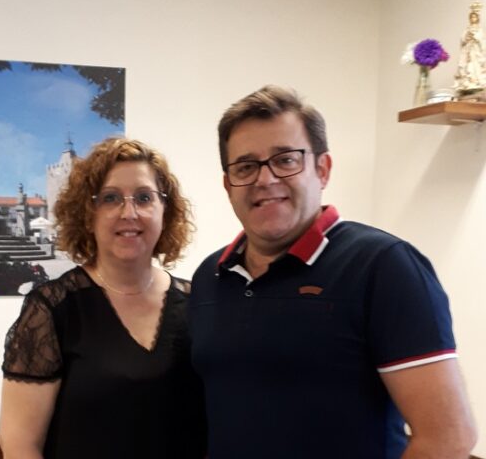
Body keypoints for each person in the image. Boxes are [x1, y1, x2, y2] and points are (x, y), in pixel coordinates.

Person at [190, 85, 477, 459]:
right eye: (246, 167)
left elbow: (448, 438)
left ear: (322, 169)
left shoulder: (383, 267)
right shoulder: (209, 277)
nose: (265, 179)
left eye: (285, 160)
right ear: (228, 185)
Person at [0, 137, 206, 459]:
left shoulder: (198, 303)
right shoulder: (53, 308)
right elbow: (20, 446)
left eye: (144, 197)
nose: (129, 212)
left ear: (165, 210)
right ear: (87, 214)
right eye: (110, 198)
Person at [454, 0, 486, 95]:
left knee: (476, 66)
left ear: (477, 18)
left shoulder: (479, 29)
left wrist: (475, 37)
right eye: (472, 17)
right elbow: (462, 39)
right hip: (468, 50)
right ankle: (467, 82)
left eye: (475, 17)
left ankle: (476, 81)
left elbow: (482, 40)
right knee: (467, 65)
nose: (473, 18)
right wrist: (467, 37)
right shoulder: (467, 29)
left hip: (476, 52)